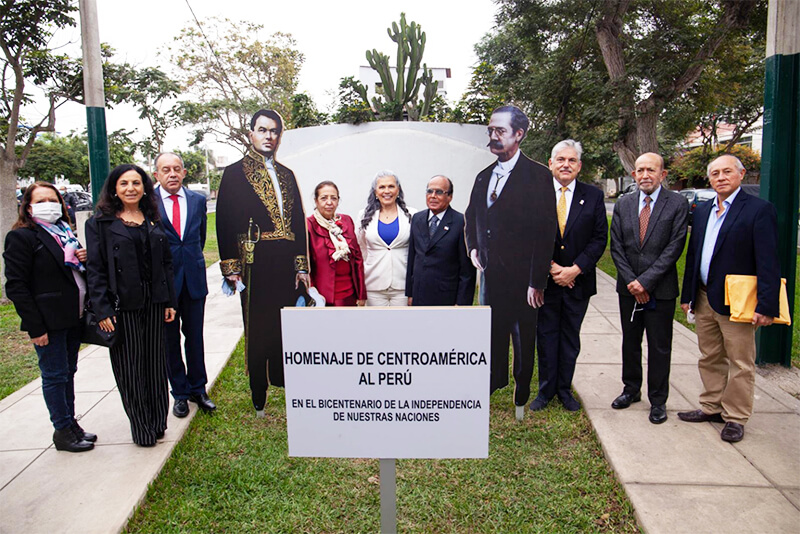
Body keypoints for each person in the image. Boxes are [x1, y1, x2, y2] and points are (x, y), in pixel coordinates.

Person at [464, 104, 557, 420]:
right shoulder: (482, 176)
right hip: (491, 278)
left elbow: (546, 232)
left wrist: (536, 281)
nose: (493, 135)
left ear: (519, 134)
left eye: (499, 131)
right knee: (492, 334)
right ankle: (491, 387)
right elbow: (472, 214)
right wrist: (474, 246)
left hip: (523, 280)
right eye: (490, 129)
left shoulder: (539, 176)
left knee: (522, 337)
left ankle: (521, 396)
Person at [678, 155, 779, 443]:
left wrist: (766, 305)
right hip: (704, 296)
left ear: (741, 174)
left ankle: (735, 416)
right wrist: (688, 296)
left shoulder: (759, 210)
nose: (720, 177)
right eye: (714, 173)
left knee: (740, 361)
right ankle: (711, 406)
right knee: (710, 356)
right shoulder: (702, 210)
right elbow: (694, 255)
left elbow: (769, 261)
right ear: (709, 179)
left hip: (738, 302)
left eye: (727, 172)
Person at [216, 109, 309, 417]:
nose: (269, 136)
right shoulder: (233, 173)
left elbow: (297, 223)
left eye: (274, 131)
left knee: (287, 323)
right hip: (254, 260)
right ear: (251, 133)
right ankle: (259, 391)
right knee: (257, 326)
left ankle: (285, 380)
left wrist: (301, 266)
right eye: (263, 130)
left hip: (284, 261)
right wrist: (231, 267)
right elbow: (225, 222)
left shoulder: (287, 174)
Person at [85, 164, 177, 447]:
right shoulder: (99, 224)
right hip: (121, 306)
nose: (130, 188)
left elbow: (165, 263)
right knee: (130, 368)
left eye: (136, 183)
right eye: (124, 183)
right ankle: (142, 428)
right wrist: (102, 310)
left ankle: (158, 421)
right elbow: (96, 269)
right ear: (114, 188)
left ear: (144, 188)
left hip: (153, 302)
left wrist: (169, 301)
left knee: (155, 364)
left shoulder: (153, 218)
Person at [4, 182, 96, 452]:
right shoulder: (22, 237)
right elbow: (16, 286)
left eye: (52, 199)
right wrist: (35, 327)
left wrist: (84, 258)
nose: (48, 204)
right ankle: (62, 431)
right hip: (48, 322)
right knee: (55, 376)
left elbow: (73, 270)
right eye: (41, 200)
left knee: (68, 373)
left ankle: (71, 424)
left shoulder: (64, 232)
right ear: (28, 207)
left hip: (72, 317)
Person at [609, 152, 688, 424]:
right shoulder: (624, 204)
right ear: (634, 175)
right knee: (630, 343)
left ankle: (658, 400)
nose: (645, 175)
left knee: (659, 347)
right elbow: (616, 247)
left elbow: (674, 248)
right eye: (640, 170)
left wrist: (646, 281)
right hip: (628, 290)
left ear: (662, 174)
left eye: (651, 170)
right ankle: (631, 390)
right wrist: (633, 282)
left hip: (661, 290)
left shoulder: (677, 204)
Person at [531, 140, 608, 412]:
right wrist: (552, 268)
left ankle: (565, 390)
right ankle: (545, 391)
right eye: (560, 159)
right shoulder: (535, 194)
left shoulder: (594, 196)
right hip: (545, 283)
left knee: (570, 338)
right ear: (550, 163)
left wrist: (575, 269)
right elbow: (527, 236)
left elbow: (599, 239)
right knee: (547, 335)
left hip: (579, 282)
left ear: (579, 166)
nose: (566, 164)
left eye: (571, 160)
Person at [153, 152, 216, 418]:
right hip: (164, 285)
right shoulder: (148, 203)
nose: (172, 174)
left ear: (184, 172)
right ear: (156, 174)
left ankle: (198, 388)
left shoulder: (198, 200)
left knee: (195, 337)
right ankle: (179, 393)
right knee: (169, 341)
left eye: (177, 169)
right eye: (165, 169)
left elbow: (198, 239)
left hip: (193, 280)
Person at [406, 175, 475, 306]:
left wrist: (462, 303)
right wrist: (410, 293)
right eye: (429, 191)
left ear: (450, 196)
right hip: (419, 295)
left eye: (439, 192)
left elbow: (467, 271)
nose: (433, 196)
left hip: (447, 297)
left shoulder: (461, 222)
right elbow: (412, 258)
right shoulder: (417, 219)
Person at [357, 171, 416, 306]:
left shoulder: (412, 214)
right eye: (382, 187)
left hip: (402, 286)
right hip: (373, 285)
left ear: (398, 190)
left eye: (391, 186)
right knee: (376, 326)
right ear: (375, 192)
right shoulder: (363, 215)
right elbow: (361, 247)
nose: (387, 191)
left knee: (402, 326)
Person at [306, 181, 367, 306]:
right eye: (324, 198)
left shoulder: (346, 221)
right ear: (316, 201)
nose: (329, 202)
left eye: (333, 198)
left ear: (338, 201)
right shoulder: (308, 225)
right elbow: (307, 266)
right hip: (323, 297)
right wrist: (313, 297)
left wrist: (361, 294)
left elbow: (357, 259)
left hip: (350, 294)